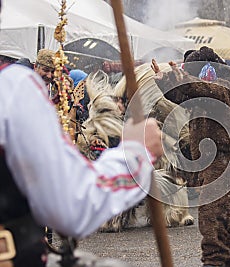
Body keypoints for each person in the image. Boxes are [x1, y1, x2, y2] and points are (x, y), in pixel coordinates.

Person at [0, 45, 162, 267]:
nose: (48, 75)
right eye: (44, 69)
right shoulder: (13, 87)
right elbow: (73, 204)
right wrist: (136, 154)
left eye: (51, 71)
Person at [152, 46, 230, 267]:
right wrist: (165, 81)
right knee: (223, 224)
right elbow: (182, 95)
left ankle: (215, 263)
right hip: (220, 162)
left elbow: (203, 89)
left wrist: (182, 79)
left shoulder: (225, 88)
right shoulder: (202, 95)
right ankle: (228, 262)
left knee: (212, 220)